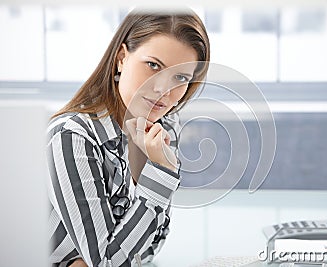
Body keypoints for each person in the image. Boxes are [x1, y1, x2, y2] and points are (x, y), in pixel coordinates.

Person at [46, 8, 210, 267]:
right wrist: (161, 174)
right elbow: (109, 263)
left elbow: (151, 247)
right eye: (153, 65)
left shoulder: (164, 126)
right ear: (122, 58)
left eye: (179, 77)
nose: (161, 89)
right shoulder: (72, 136)